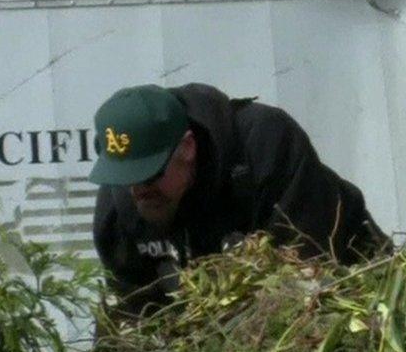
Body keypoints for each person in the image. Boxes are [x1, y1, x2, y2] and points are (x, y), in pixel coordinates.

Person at [89, 83, 389, 313]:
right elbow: (135, 318)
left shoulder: (265, 146)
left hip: (355, 293)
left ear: (188, 148)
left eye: (150, 173)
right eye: (125, 177)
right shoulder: (119, 211)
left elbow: (309, 276)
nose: (138, 190)